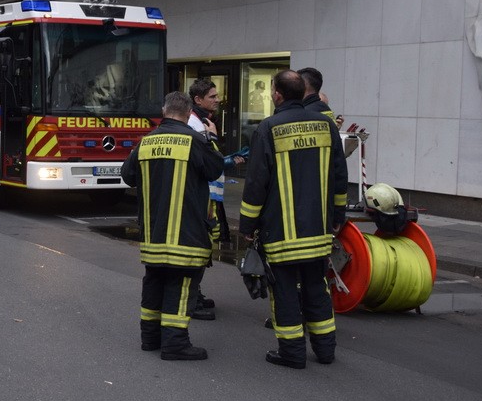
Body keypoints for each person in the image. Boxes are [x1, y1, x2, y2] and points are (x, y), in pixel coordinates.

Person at [239, 70, 348, 369]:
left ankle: (292, 353)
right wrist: (337, 217)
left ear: (276, 94)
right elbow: (340, 177)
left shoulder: (268, 128)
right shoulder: (326, 125)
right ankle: (326, 351)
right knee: (317, 289)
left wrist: (247, 226)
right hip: (318, 229)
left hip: (282, 233)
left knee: (285, 292)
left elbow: (256, 184)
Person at [121, 91, 224, 360]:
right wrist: (212, 138)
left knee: (154, 281)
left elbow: (127, 175)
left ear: (164, 111)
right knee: (181, 285)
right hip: (186, 232)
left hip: (153, 233)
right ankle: (175, 344)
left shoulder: (146, 142)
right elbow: (215, 169)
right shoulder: (195, 141)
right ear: (189, 112)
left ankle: (150, 338)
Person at [185, 79, 246, 321]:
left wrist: (228, 159)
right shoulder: (193, 123)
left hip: (211, 195)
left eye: (216, 95)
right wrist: (221, 154)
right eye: (212, 96)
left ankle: (195, 293)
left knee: (206, 247)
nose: (217, 99)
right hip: (203, 196)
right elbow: (202, 159)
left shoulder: (204, 121)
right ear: (198, 100)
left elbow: (210, 158)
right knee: (200, 248)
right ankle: (191, 298)